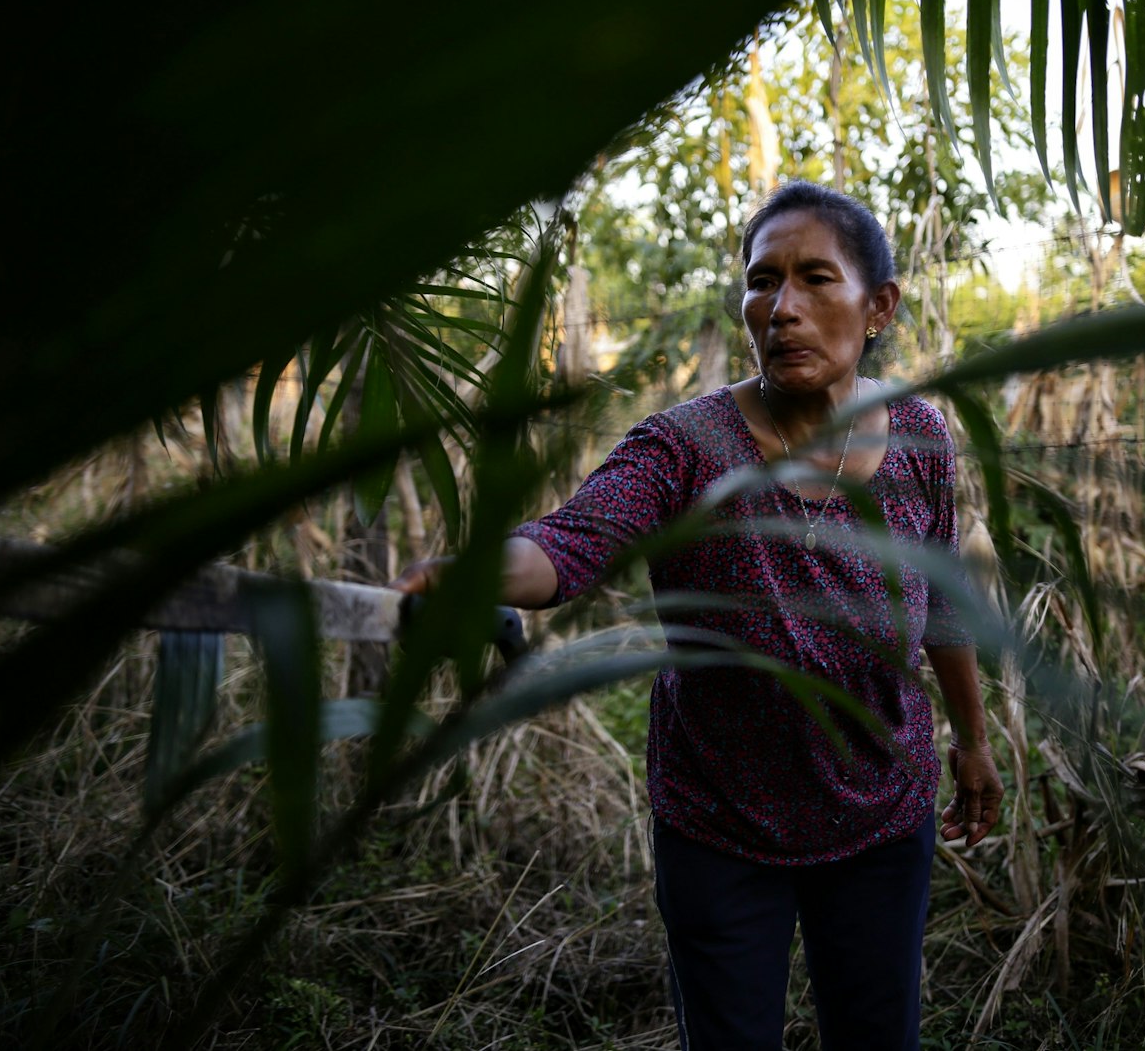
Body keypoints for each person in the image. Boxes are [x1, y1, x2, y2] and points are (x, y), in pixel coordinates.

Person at [394, 180, 1003, 1050]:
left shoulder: (920, 438)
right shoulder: (683, 446)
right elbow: (569, 544)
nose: (780, 307)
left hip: (881, 810)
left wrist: (973, 740)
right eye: (762, 281)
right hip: (721, 824)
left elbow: (940, 597)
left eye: (815, 279)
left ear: (879, 306)